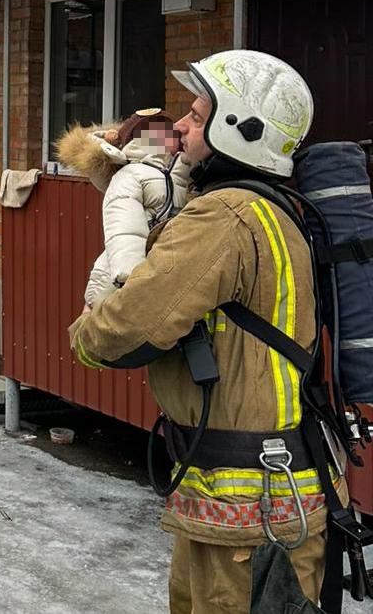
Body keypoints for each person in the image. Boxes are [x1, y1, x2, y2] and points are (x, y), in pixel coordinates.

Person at [69, 49, 341, 613]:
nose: (183, 127)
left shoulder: (225, 216)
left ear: (239, 130)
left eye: (197, 115)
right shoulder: (272, 208)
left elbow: (127, 326)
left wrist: (85, 330)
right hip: (256, 492)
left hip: (246, 513)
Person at [55, 107, 190, 309]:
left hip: (165, 266)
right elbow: (124, 228)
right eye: (156, 133)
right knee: (105, 322)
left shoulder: (184, 172)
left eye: (169, 132)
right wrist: (133, 278)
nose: (166, 138)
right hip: (125, 277)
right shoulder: (131, 174)